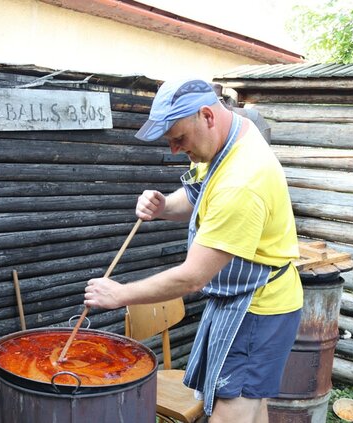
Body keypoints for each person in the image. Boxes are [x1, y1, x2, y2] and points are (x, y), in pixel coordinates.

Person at [84, 78, 303, 423]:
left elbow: (192, 278)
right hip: (241, 301)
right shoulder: (228, 137)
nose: (173, 150)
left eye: (178, 139)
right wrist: (163, 207)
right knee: (251, 404)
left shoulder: (243, 181)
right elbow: (198, 194)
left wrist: (121, 294)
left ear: (206, 116)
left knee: (232, 411)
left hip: (258, 310)